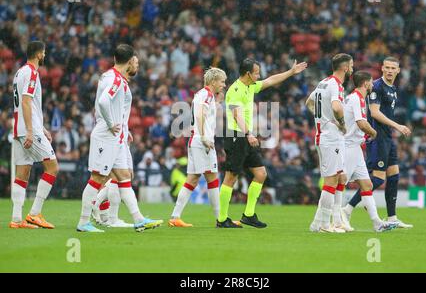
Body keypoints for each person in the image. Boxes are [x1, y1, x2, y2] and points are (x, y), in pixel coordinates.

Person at [77, 46, 162, 232]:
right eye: (137, 62)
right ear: (130, 61)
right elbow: (103, 102)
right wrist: (110, 123)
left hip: (116, 135)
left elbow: (110, 106)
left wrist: (124, 127)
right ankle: (83, 222)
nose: (137, 65)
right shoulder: (116, 80)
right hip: (107, 136)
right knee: (97, 178)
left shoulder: (111, 77)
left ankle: (139, 219)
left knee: (124, 177)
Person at [217, 57, 307, 228]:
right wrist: (249, 133)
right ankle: (222, 219)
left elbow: (270, 81)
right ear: (248, 73)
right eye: (256, 72)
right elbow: (236, 114)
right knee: (231, 177)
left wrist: (291, 72)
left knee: (260, 174)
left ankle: (248, 215)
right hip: (236, 135)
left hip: (245, 136)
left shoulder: (250, 86)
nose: (259, 75)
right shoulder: (235, 90)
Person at [343, 57, 413, 228]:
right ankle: (348, 208)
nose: (389, 70)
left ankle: (392, 217)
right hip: (377, 137)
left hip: (387, 137)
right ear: (382, 68)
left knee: (394, 175)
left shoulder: (393, 88)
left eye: (392, 68)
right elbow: (374, 112)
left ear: (398, 70)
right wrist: (397, 126)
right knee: (378, 179)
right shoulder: (377, 87)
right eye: (387, 67)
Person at [10, 40, 59, 229]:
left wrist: (42, 127)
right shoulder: (31, 72)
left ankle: (16, 219)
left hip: (19, 128)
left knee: (22, 173)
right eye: (44, 53)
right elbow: (26, 102)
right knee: (52, 167)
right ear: (39, 54)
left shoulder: (19, 72)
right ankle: (34, 213)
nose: (44, 56)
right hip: (28, 129)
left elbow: (28, 104)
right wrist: (32, 130)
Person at [341, 71, 398, 232]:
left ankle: (377, 223)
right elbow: (361, 123)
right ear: (366, 83)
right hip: (349, 147)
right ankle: (335, 219)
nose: (373, 84)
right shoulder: (356, 98)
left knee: (367, 184)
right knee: (339, 185)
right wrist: (373, 133)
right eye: (371, 82)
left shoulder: (355, 97)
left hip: (355, 147)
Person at [169, 67, 227, 227]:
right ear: (214, 81)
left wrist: (217, 103)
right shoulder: (206, 95)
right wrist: (204, 137)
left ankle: (175, 217)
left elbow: (203, 113)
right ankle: (221, 219)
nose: (224, 85)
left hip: (196, 140)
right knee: (212, 178)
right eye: (222, 81)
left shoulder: (202, 95)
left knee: (193, 179)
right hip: (203, 142)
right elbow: (200, 114)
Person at [306, 53, 352, 233]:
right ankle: (324, 225)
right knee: (331, 181)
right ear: (345, 67)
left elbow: (309, 102)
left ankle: (318, 223)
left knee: (339, 177)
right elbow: (336, 107)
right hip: (330, 137)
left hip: (325, 135)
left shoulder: (322, 82)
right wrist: (341, 124)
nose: (352, 68)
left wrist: (321, 119)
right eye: (351, 65)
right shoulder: (336, 85)